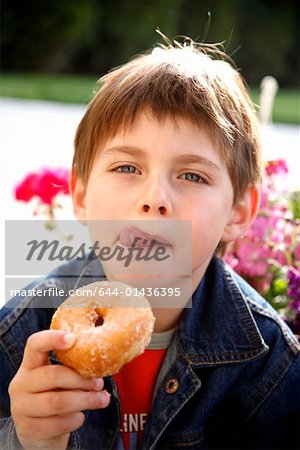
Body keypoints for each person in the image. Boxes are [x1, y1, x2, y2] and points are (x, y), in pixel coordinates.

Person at [1, 35, 299, 450]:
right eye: (127, 167)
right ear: (82, 195)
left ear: (239, 211)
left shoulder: (268, 362)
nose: (155, 199)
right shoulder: (21, 334)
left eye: (192, 175)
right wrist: (24, 439)